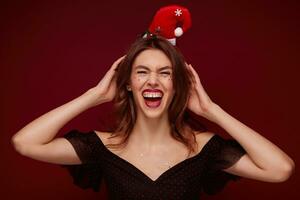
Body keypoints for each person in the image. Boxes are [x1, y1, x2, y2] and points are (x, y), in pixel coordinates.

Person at [11, 35, 295, 200]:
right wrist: (93, 95)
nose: (153, 82)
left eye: (165, 73)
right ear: (128, 84)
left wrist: (213, 111)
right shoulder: (103, 147)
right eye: (142, 72)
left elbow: (280, 169)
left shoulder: (204, 147)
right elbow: (25, 142)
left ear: (177, 85)